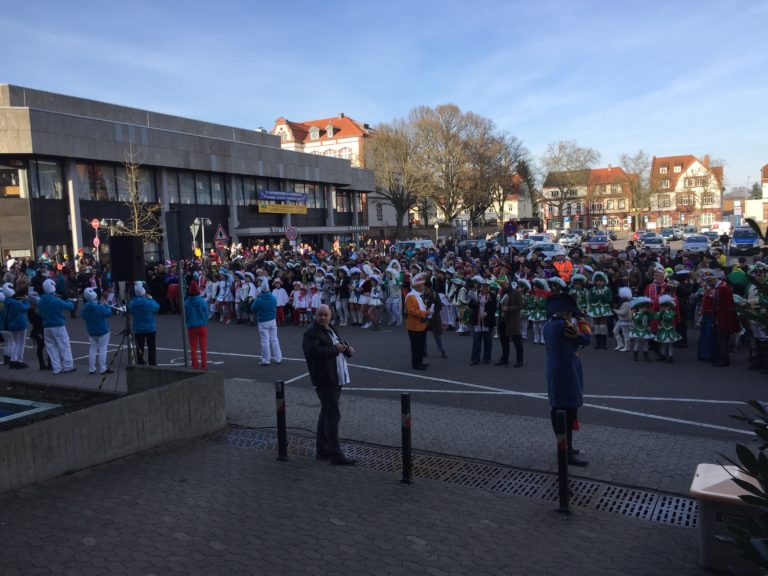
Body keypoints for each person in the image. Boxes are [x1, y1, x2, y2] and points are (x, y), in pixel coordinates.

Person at [302, 304, 356, 466]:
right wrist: (335, 349)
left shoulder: (330, 328)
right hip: (325, 379)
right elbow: (314, 353)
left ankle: (322, 450)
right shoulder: (310, 332)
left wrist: (346, 350)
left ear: (331, 315)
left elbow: (337, 345)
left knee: (326, 413)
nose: (323, 318)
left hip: (336, 376)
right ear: (315, 315)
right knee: (332, 416)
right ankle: (336, 454)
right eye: (320, 315)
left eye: (326, 315)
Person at [544, 294, 590, 467]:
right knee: (566, 411)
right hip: (566, 369)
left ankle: (565, 447)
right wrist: (583, 321)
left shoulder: (549, 323)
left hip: (556, 367)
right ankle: (566, 451)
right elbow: (585, 338)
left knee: (560, 407)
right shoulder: (563, 325)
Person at [38, 278, 76, 374]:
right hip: (58, 326)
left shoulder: (41, 301)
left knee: (51, 348)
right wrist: (67, 300)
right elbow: (70, 306)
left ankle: (56, 368)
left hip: (46, 327)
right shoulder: (56, 300)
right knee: (64, 346)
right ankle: (68, 366)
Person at [81, 287, 113, 375]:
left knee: (92, 349)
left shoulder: (84, 309)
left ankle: (92, 369)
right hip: (103, 331)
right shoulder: (99, 307)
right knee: (103, 349)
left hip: (91, 331)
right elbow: (109, 313)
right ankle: (103, 369)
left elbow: (84, 315)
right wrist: (106, 305)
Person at [251, 278, 283, 366]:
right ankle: (278, 358)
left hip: (263, 321)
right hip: (272, 320)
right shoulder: (273, 298)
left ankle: (266, 359)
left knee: (265, 340)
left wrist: (256, 298)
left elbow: (253, 308)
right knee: (274, 339)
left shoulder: (259, 300)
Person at [405, 273, 432, 370]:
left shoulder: (418, 295)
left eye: (423, 286)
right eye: (421, 286)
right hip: (415, 326)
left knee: (420, 346)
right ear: (416, 287)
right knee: (416, 347)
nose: (423, 287)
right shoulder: (411, 296)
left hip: (421, 325)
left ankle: (420, 362)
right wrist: (425, 313)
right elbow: (412, 311)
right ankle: (416, 364)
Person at [129, 282, 160, 366]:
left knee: (139, 348)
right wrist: (151, 298)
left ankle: (140, 362)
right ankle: (152, 363)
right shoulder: (148, 302)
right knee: (151, 347)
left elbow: (129, 308)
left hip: (138, 329)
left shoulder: (132, 304)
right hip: (150, 328)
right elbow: (157, 307)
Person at [2, 282, 29, 369]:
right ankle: (19, 361)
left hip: (12, 324)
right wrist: (26, 301)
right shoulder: (15, 303)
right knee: (21, 343)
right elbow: (24, 308)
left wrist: (21, 301)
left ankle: (12, 360)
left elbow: (17, 306)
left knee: (15, 343)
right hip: (20, 324)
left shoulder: (6, 302)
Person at [185, 280, 209, 370]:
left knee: (193, 347)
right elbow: (206, 313)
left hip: (191, 326)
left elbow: (185, 315)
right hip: (202, 325)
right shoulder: (202, 301)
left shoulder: (187, 303)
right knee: (203, 347)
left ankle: (195, 366)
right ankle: (204, 365)